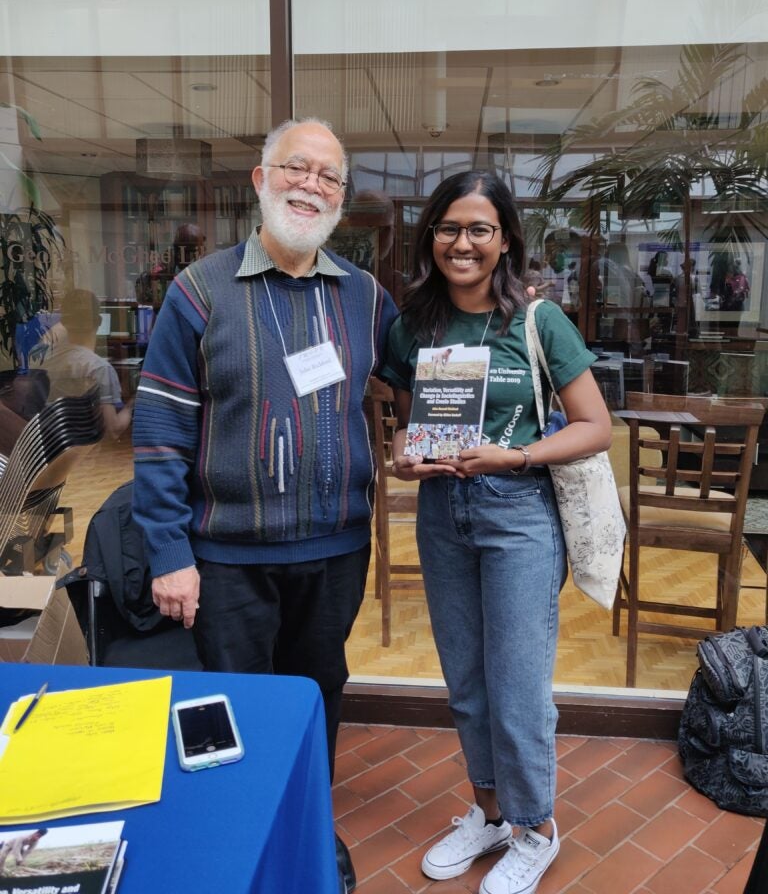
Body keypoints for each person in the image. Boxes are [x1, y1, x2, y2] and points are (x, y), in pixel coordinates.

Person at [131, 117, 398, 894]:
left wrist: (512, 336)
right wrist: (169, 553)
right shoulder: (199, 291)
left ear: (341, 198)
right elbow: (159, 432)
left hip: (336, 550)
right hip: (226, 557)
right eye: (295, 168)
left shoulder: (365, 297)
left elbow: (429, 368)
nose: (310, 185)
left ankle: (308, 834)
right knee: (234, 709)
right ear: (260, 179)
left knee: (316, 700)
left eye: (328, 176)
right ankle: (238, 841)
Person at [382, 171, 611, 894]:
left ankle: (535, 828)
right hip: (442, 515)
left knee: (516, 686)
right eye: (449, 228)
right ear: (431, 237)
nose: (463, 243)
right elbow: (405, 421)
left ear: (505, 239)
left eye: (479, 229)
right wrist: (403, 454)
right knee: (466, 681)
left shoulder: (538, 321)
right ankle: (487, 814)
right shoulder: (411, 325)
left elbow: (596, 425)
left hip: (518, 514)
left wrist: (516, 455)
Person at [31, 289, 132, 440]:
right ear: (99, 321)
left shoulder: (44, 357)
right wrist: (132, 405)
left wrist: (68, 320)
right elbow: (113, 430)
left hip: (51, 443)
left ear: (64, 322)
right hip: (86, 448)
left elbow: (42, 344)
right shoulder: (100, 369)